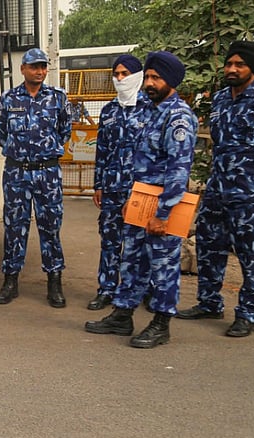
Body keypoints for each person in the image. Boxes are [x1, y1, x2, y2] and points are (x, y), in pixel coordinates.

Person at [84, 51, 197, 349]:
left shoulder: (178, 117)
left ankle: (161, 324)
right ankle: (122, 315)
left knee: (163, 265)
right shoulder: (153, 111)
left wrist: (163, 213)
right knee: (132, 260)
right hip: (140, 199)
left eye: (155, 78)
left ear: (170, 81)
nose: (149, 82)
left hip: (163, 205)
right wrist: (132, 199)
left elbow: (178, 170)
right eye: (147, 77)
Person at [176, 41, 254, 338]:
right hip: (218, 186)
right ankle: (209, 302)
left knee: (252, 253)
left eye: (239, 64)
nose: (231, 69)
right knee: (208, 244)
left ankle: (248, 313)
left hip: (251, 191)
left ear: (253, 68)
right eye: (229, 64)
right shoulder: (219, 99)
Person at [0, 48, 72, 307]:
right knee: (14, 226)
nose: (39, 71)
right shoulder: (8, 98)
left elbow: (64, 130)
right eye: (34, 66)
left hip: (47, 172)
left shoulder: (58, 98)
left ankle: (54, 282)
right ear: (23, 69)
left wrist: (45, 152)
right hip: (17, 171)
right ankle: (10, 281)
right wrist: (21, 154)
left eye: (42, 66)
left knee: (50, 227)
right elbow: (1, 133)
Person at [87, 55, 151, 311]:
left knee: (141, 243)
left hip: (141, 188)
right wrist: (98, 185)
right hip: (112, 188)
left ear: (138, 75)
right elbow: (101, 151)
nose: (120, 78)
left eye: (125, 73)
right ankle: (107, 289)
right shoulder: (109, 111)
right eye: (117, 74)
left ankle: (144, 290)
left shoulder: (150, 107)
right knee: (110, 241)